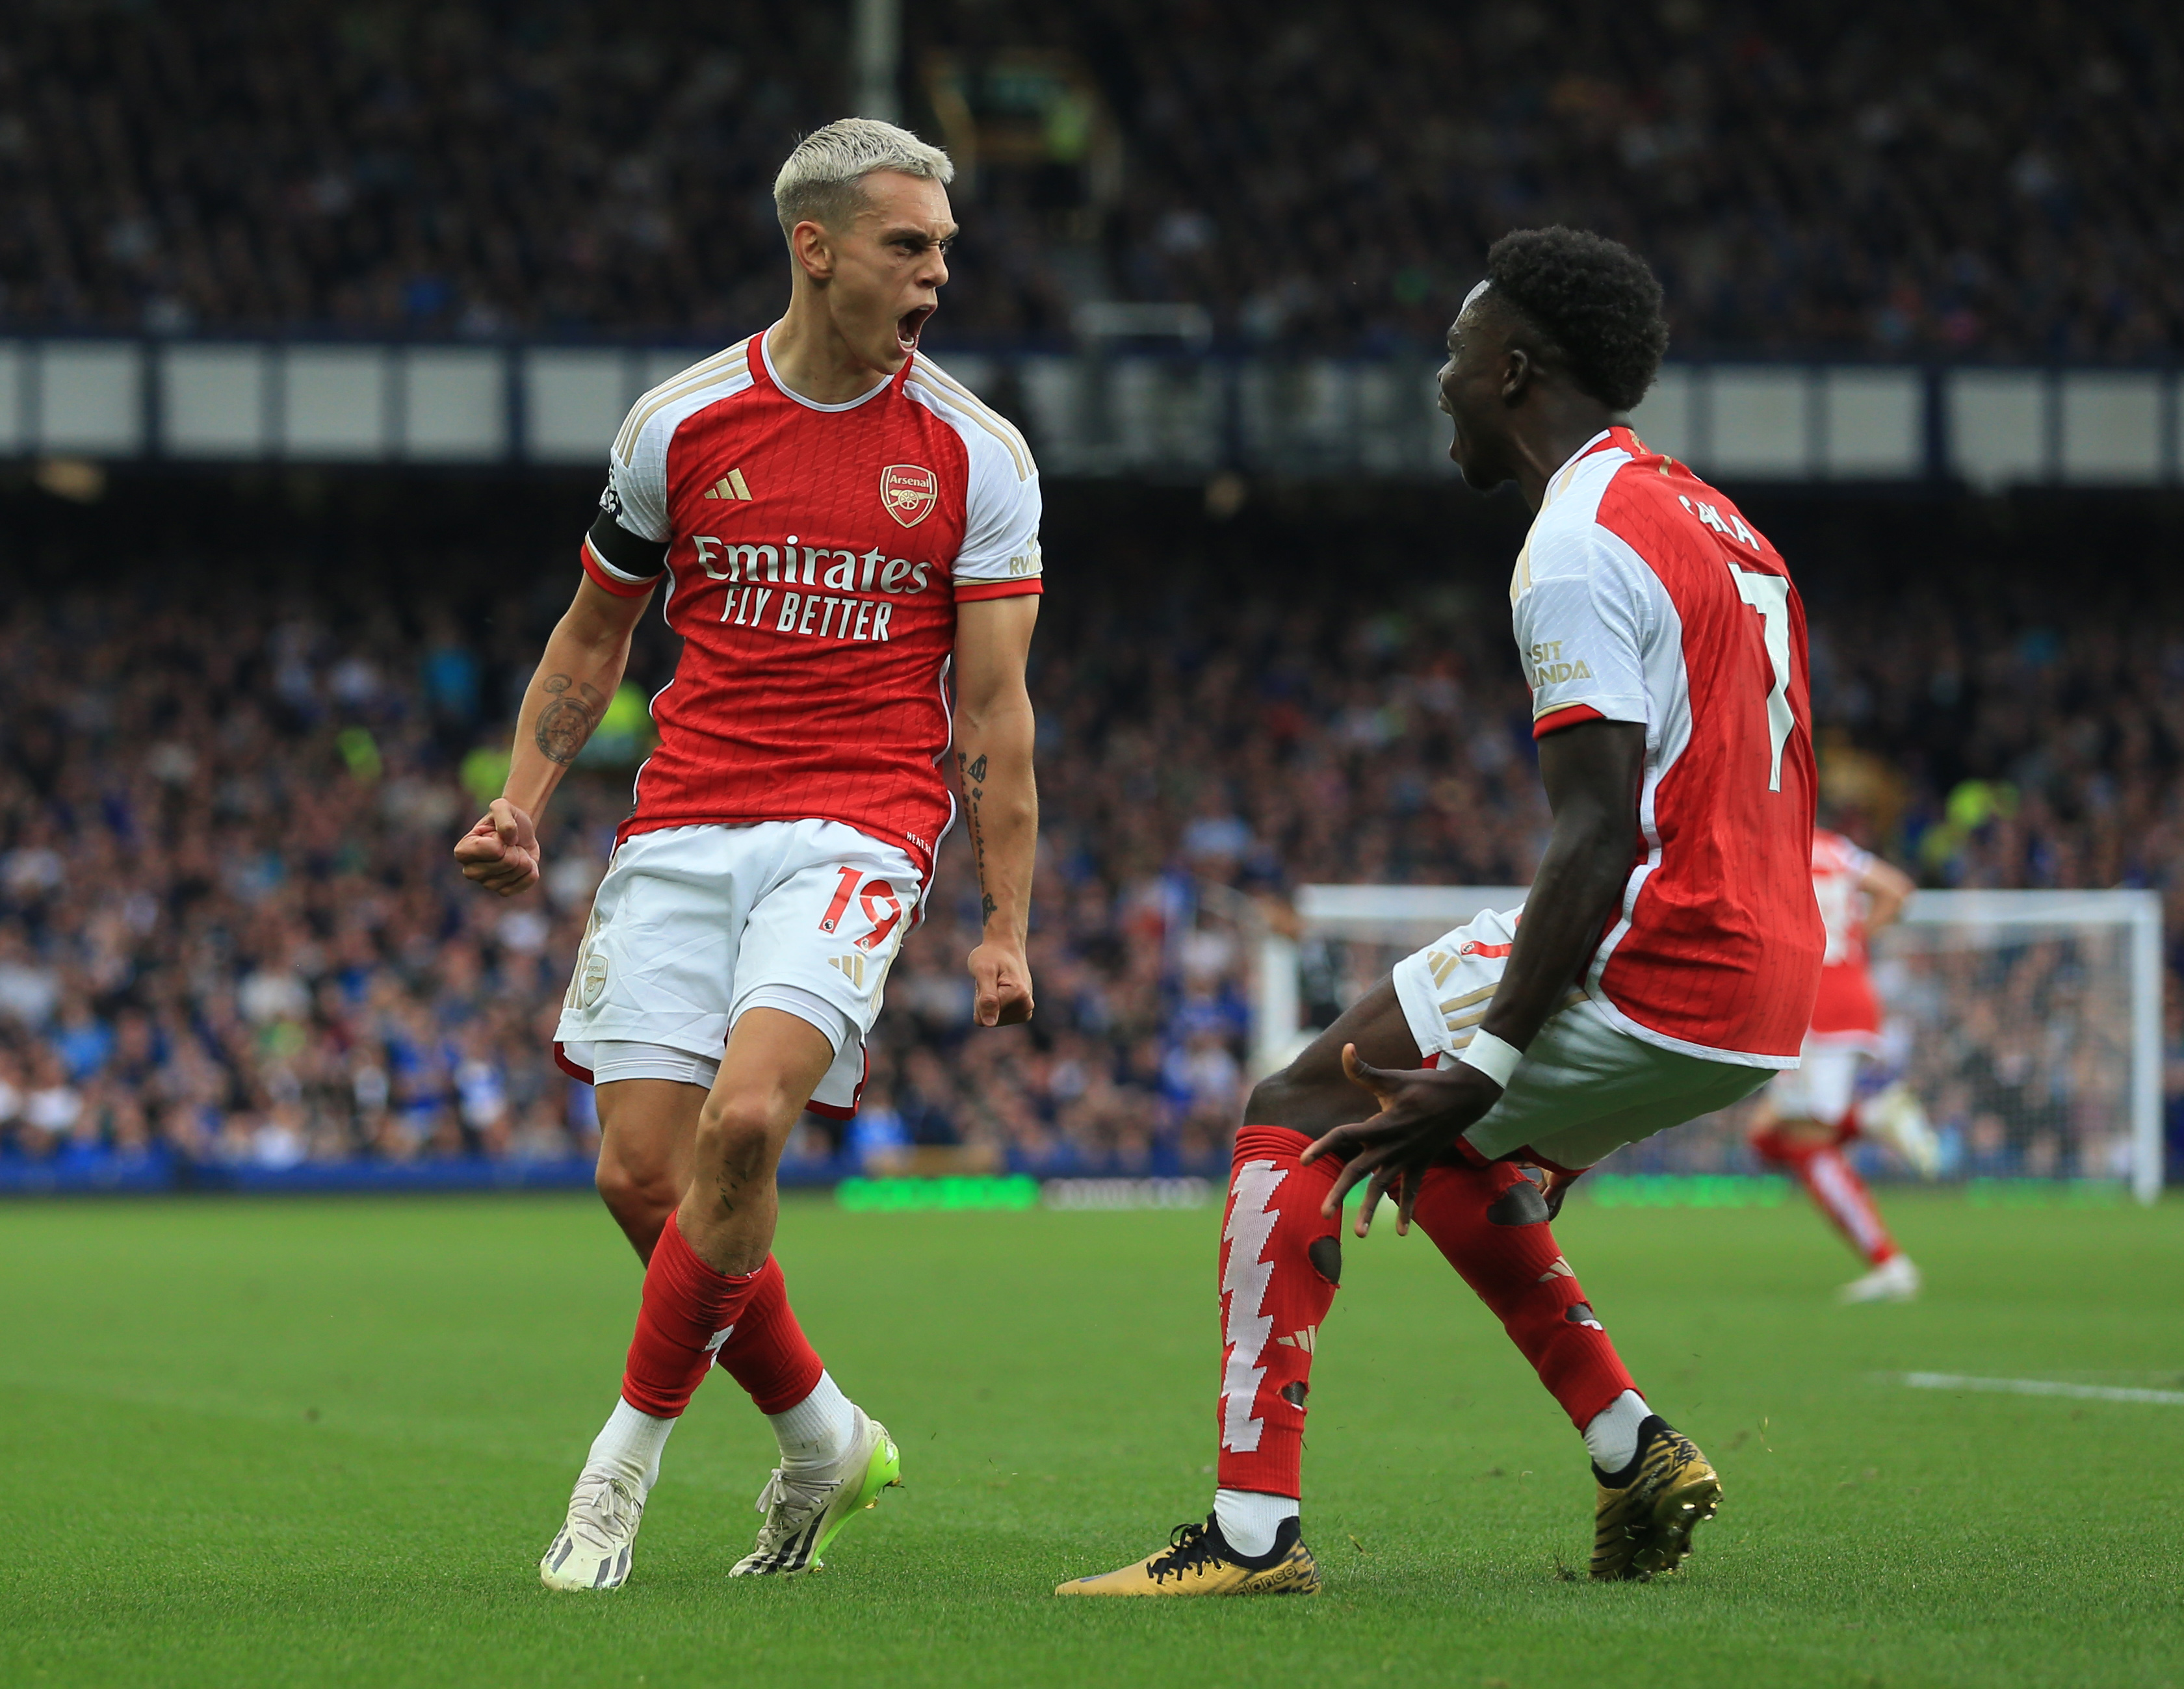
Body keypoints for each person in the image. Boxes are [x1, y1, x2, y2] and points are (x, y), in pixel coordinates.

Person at [1056, 227, 1821, 1596]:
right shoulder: (1717, 518)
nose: (1442, 382)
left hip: (1663, 941)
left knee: (1299, 1099)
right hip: (1764, 988)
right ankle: (1629, 1445)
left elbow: (1593, 833)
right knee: (1433, 1140)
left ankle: (1247, 1536)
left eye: (1458, 355)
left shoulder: (1576, 539)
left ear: (1515, 369)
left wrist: (1498, 1052)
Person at [454, 117, 1043, 1588]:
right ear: (816, 246)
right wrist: (524, 796)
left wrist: (1001, 921)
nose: (935, 275)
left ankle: (616, 1475)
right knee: (639, 1176)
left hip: (856, 825)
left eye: (945, 250)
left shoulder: (975, 454)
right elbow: (596, 636)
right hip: (683, 822)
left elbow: (991, 711)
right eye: (907, 246)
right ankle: (825, 1433)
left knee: (742, 1125)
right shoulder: (680, 423)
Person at [1748, 827, 1939, 1301]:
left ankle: (1889, 1262)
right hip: (1854, 996)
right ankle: (1875, 1119)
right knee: (1768, 1136)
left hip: (1811, 1007)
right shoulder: (1838, 848)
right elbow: (1898, 891)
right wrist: (1855, 936)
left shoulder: (1769, 844)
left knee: (1803, 1140)